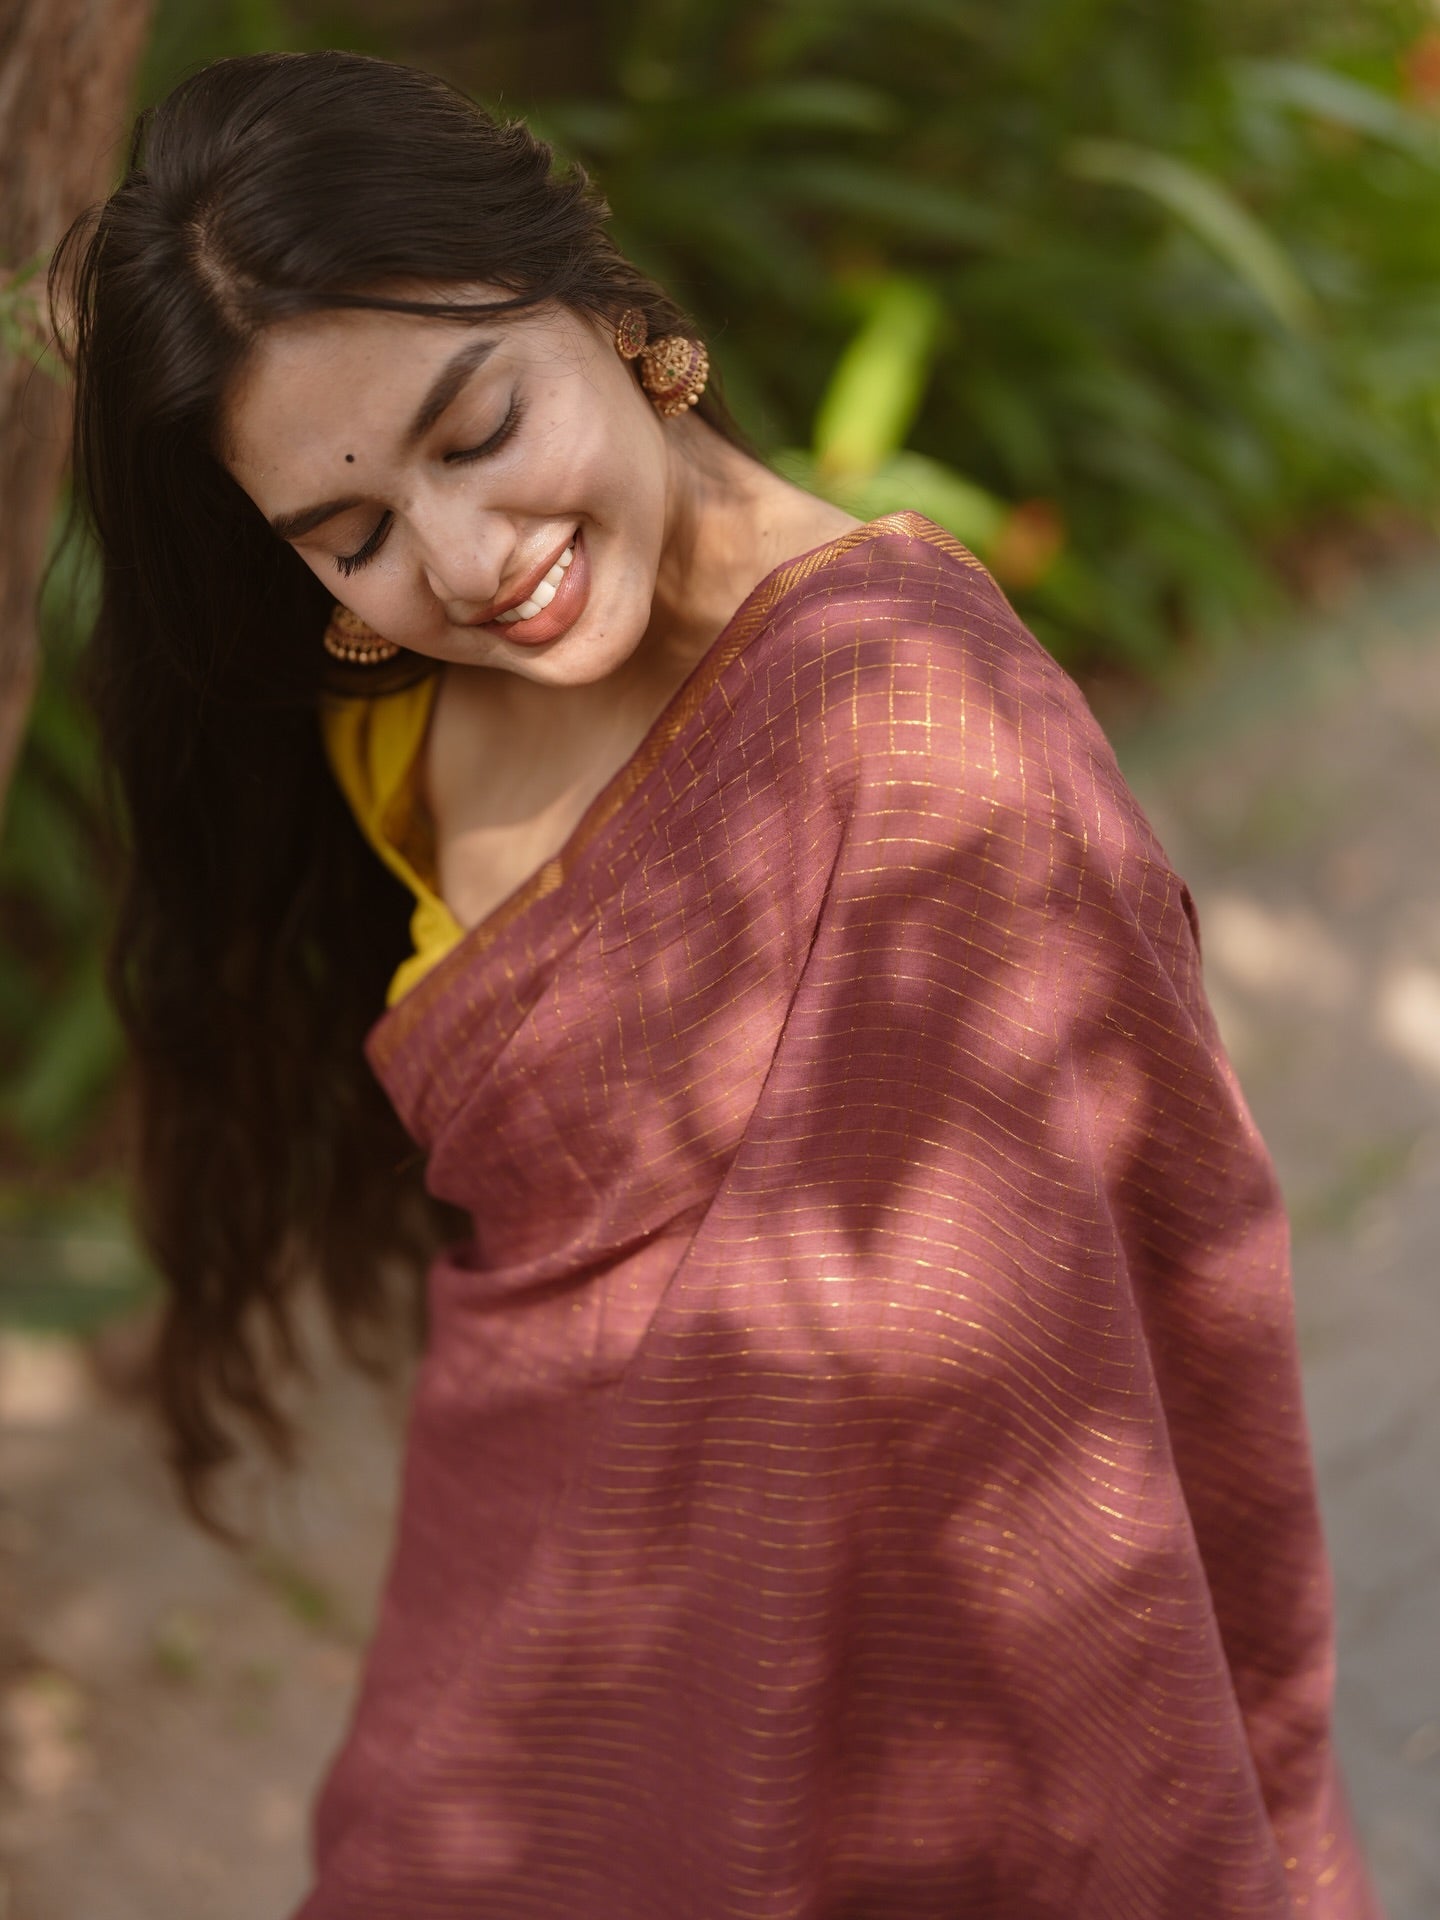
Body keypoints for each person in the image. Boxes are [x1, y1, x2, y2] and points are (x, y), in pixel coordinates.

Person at [52, 47, 1381, 1920]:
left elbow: (1077, 1356)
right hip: (529, 1584)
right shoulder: (401, 714)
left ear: (601, 304)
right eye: (346, 533)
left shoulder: (935, 751)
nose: (461, 561)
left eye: (476, 427)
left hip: (862, 1647)